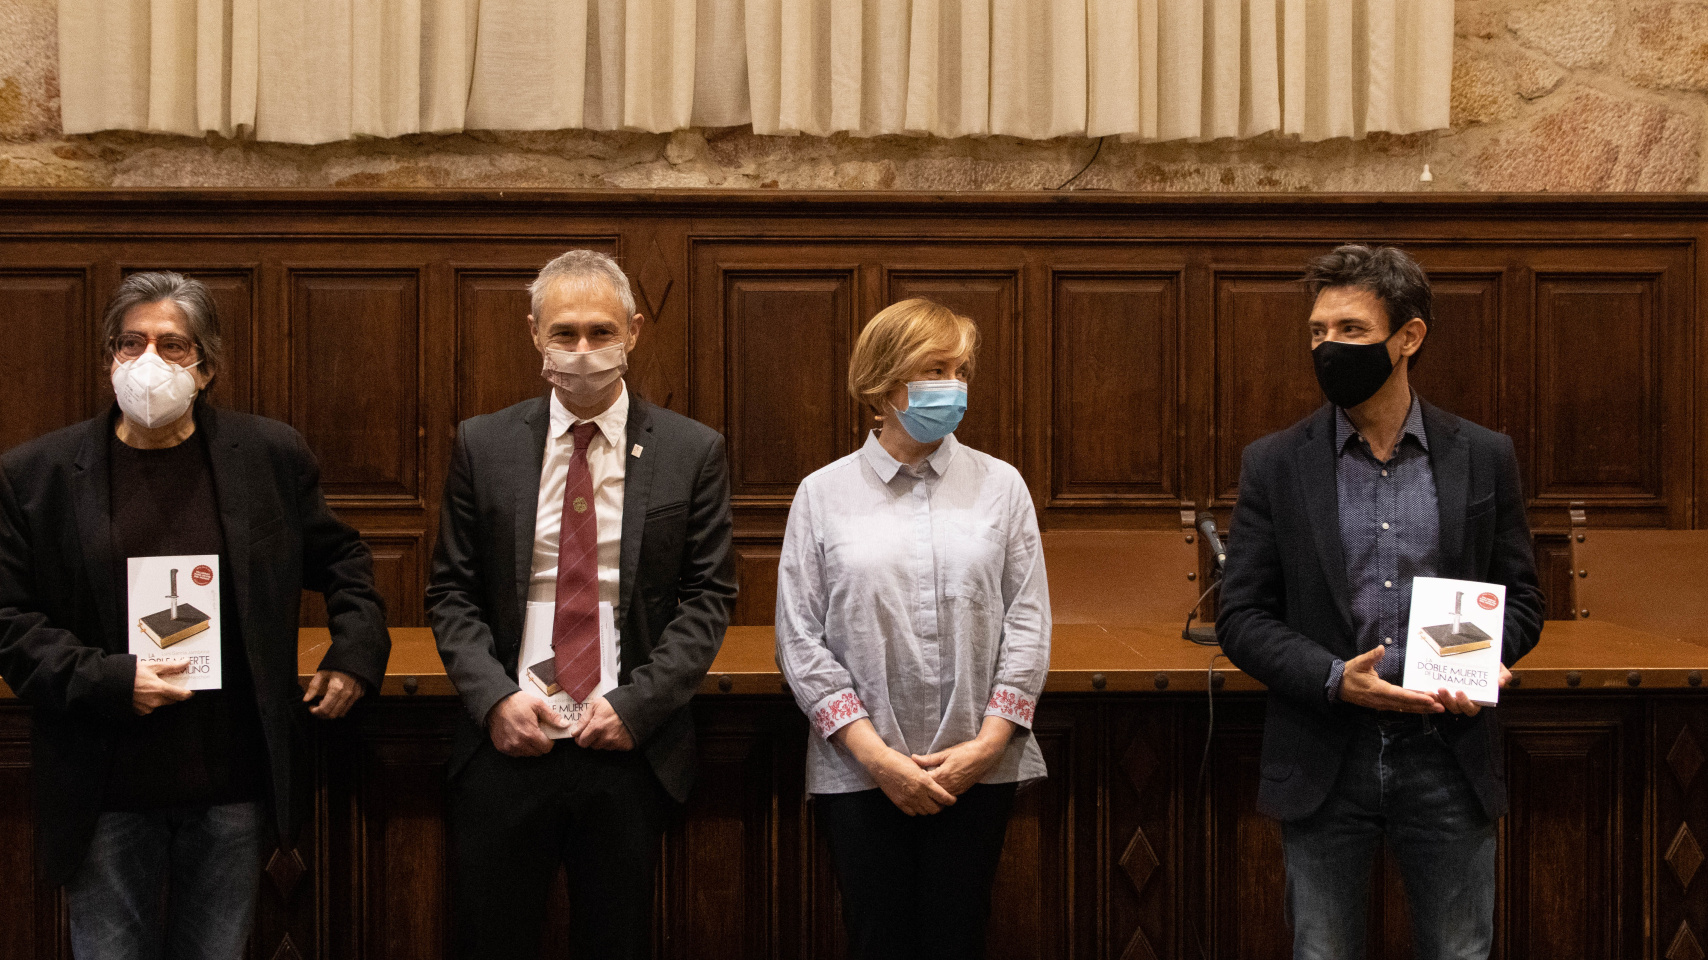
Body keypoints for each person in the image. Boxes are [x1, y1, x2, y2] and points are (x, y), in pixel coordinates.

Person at [0, 271, 391, 960]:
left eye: (174, 346)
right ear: (107, 360)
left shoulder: (269, 457)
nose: (149, 361)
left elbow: (343, 560)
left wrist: (355, 650)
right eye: (131, 342)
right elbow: (9, 619)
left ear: (207, 367)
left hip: (228, 787)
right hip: (104, 787)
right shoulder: (38, 475)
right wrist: (111, 679)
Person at [1217, 245, 1545, 960]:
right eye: (1317, 332)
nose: (1328, 347)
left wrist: (1481, 661)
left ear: (1409, 338)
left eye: (1350, 331)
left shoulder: (1484, 455)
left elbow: (1521, 598)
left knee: (1460, 951)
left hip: (1447, 752)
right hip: (1325, 753)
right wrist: (1337, 679)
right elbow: (1240, 616)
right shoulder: (1275, 462)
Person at [428, 249, 736, 960]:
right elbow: (451, 590)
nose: (584, 351)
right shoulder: (485, 443)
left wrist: (638, 706)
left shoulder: (692, 451)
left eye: (601, 332)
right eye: (564, 333)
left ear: (634, 331)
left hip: (627, 744)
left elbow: (709, 596)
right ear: (535, 335)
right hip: (507, 739)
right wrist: (493, 699)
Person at [774, 298, 1050, 960]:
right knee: (877, 937)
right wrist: (877, 758)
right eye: (935, 369)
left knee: (961, 934)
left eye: (960, 370)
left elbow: (1029, 620)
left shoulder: (1000, 486)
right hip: (861, 770)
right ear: (885, 381)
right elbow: (799, 637)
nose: (953, 386)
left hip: (975, 766)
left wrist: (985, 748)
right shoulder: (823, 493)